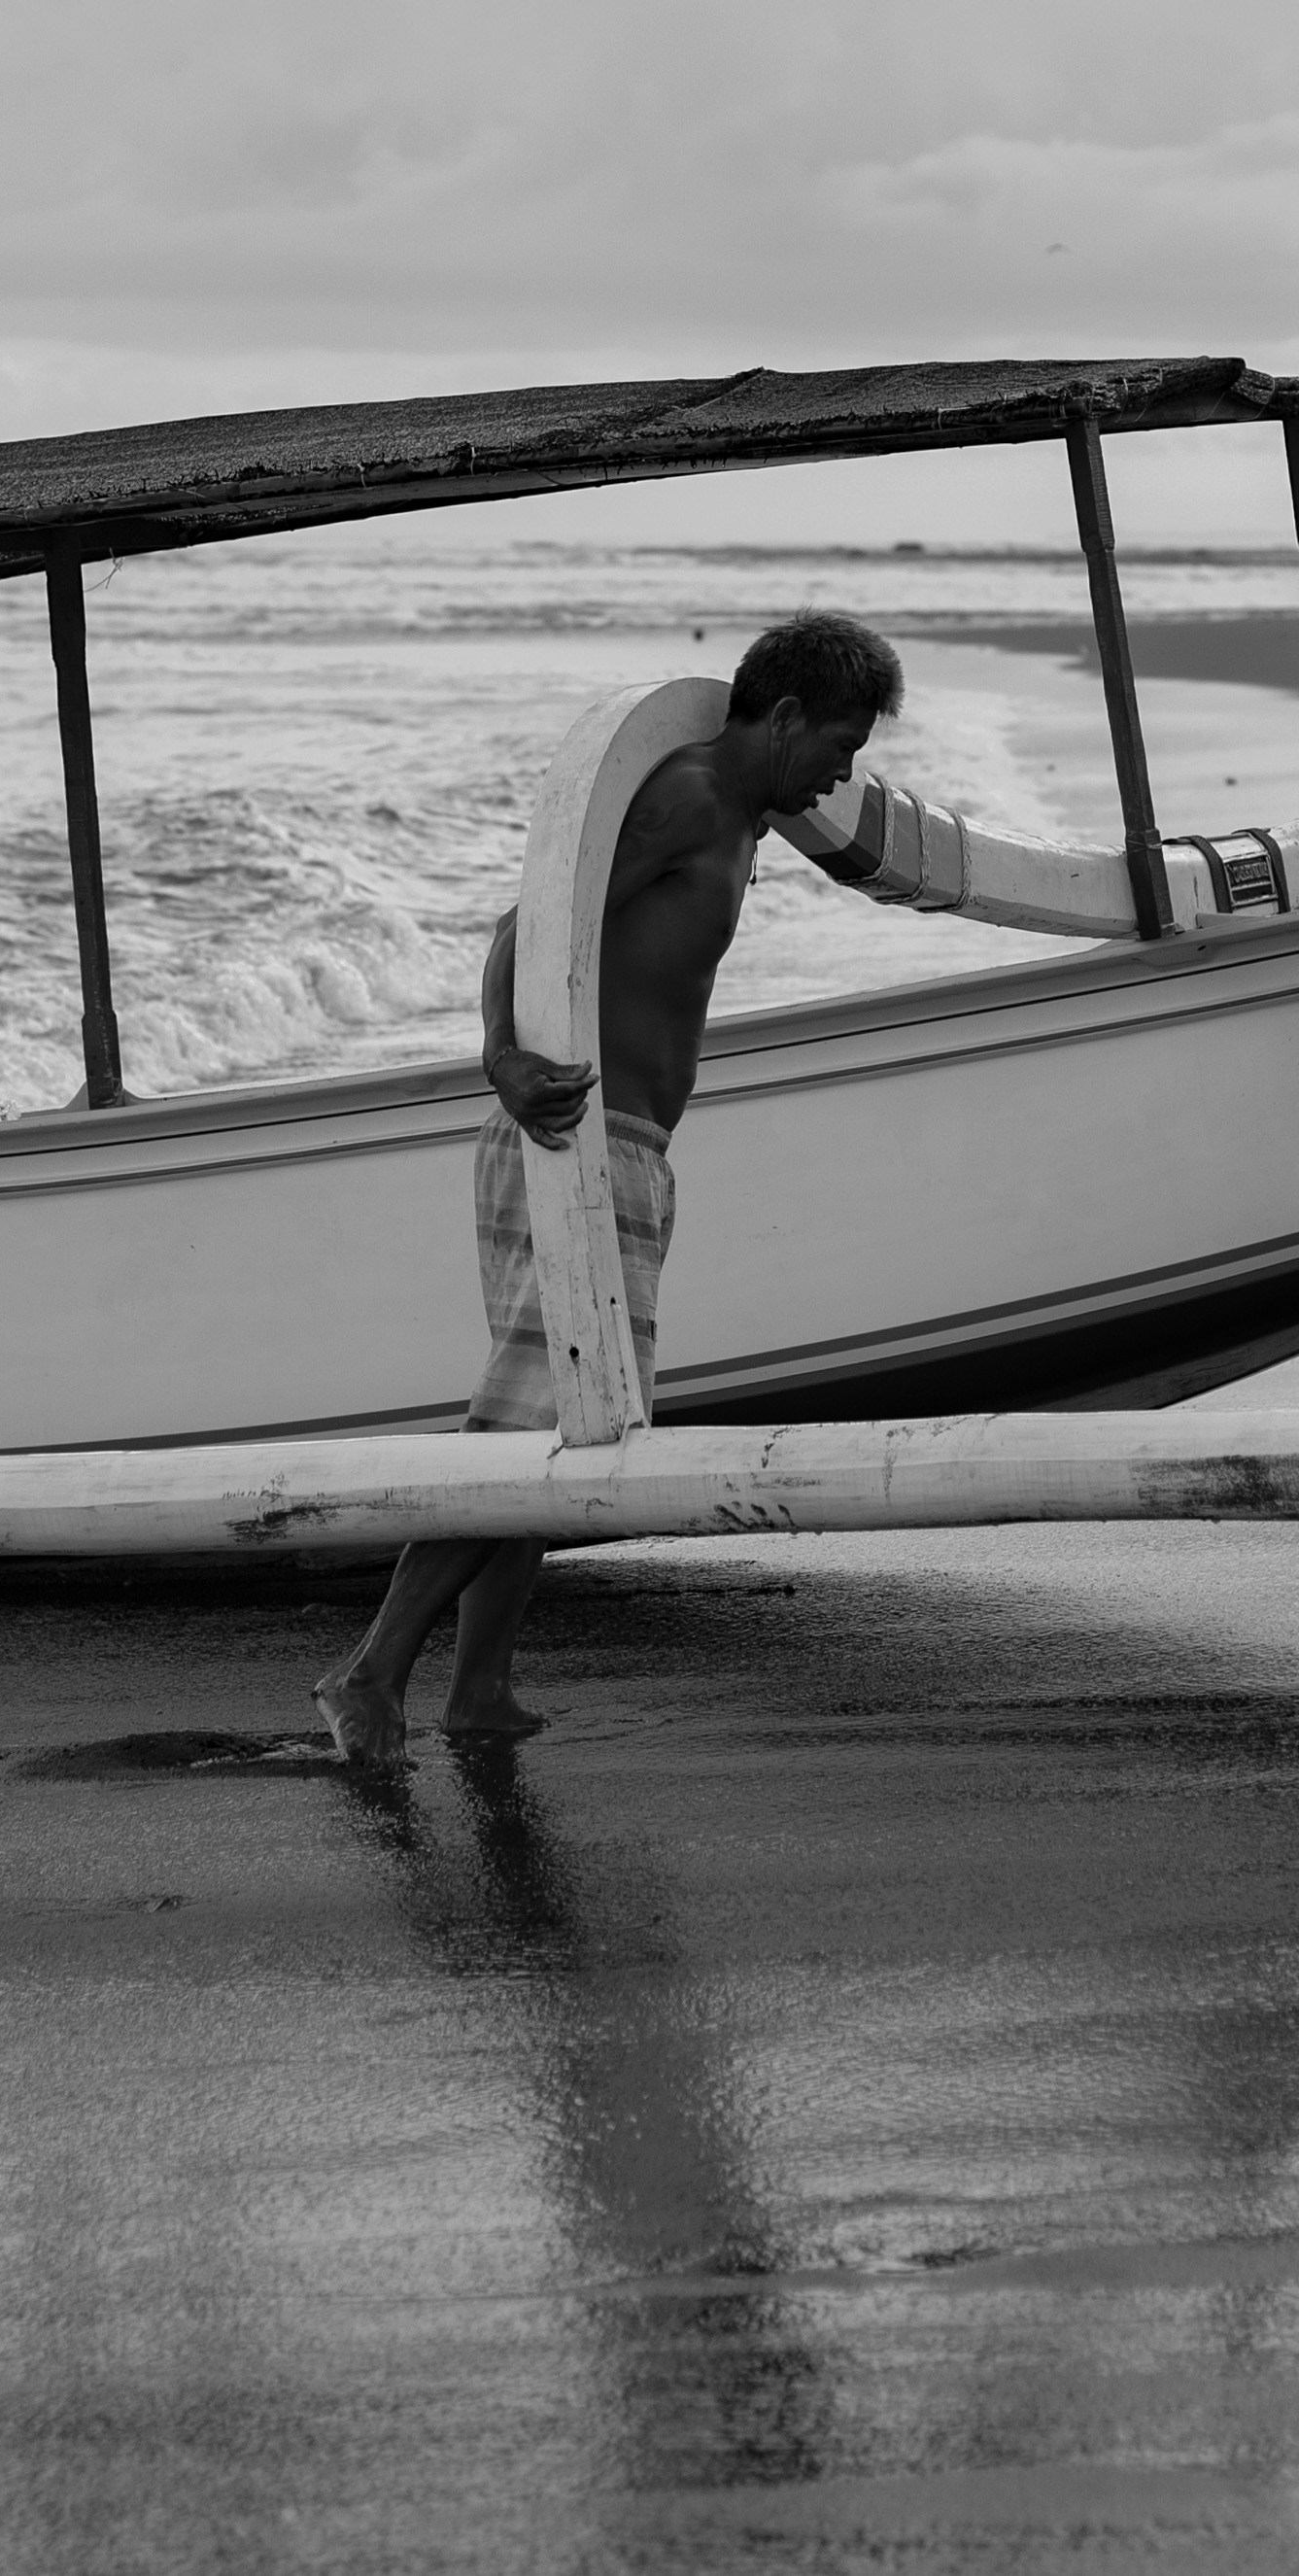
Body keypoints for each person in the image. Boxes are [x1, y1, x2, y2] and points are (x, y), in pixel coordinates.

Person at [314, 612, 902, 1766]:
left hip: (614, 1152)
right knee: (527, 1430)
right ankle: (368, 1672)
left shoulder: (748, 814)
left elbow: (873, 839)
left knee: (566, 1435)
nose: (844, 770)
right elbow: (524, 922)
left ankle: (478, 1686)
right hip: (578, 1144)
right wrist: (501, 1055)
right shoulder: (687, 797)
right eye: (837, 742)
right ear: (779, 717)